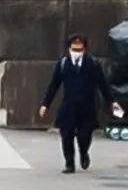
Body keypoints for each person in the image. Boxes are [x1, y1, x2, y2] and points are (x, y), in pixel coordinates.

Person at [39, 33, 121, 174]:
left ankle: (84, 152)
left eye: (79, 49)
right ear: (69, 48)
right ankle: (69, 163)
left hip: (87, 107)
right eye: (74, 49)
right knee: (66, 136)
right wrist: (45, 104)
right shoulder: (63, 64)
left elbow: (103, 85)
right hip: (68, 107)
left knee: (84, 136)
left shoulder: (93, 64)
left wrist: (112, 101)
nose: (76, 52)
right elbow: (54, 85)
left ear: (85, 49)